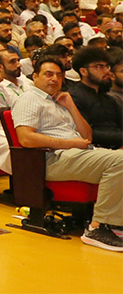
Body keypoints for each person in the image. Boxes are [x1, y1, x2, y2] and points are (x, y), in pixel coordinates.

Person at [12, 56, 123, 251]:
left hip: (77, 154)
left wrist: (71, 106)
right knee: (120, 161)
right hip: (51, 159)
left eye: (58, 75)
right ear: (35, 77)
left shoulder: (60, 101)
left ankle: (115, 223)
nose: (54, 79)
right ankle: (97, 228)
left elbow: (87, 136)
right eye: (48, 74)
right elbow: (26, 138)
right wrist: (71, 143)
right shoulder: (30, 98)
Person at [68, 47, 123, 148]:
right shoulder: (74, 97)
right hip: (94, 149)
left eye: (107, 66)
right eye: (99, 67)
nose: (106, 71)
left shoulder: (107, 98)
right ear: (83, 71)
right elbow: (88, 134)